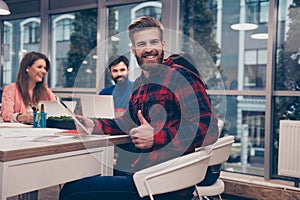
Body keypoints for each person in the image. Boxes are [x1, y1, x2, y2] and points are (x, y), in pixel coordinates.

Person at [59, 16, 219, 200]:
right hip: (143, 173)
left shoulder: (180, 77)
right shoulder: (139, 85)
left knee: (73, 191)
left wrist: (157, 136)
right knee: (80, 182)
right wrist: (93, 125)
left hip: (165, 183)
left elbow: (209, 129)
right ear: (133, 49)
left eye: (154, 42)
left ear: (163, 45)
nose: (149, 48)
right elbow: (127, 123)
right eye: (142, 43)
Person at [1, 51, 56, 124]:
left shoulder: (46, 91)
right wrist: (22, 118)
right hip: (18, 132)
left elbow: (57, 110)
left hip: (41, 131)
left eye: (45, 68)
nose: (44, 71)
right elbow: (6, 115)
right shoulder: (10, 89)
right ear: (27, 68)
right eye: (39, 67)